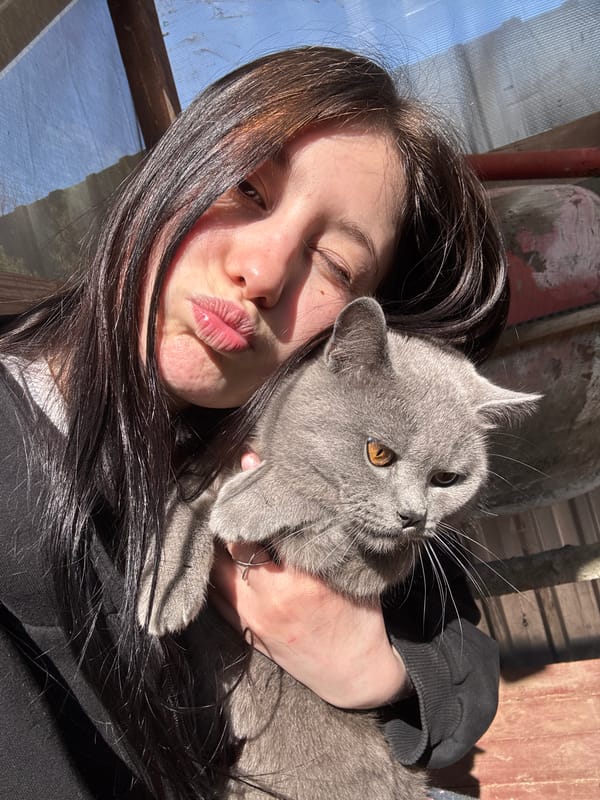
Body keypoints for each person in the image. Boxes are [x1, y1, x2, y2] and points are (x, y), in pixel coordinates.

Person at [0, 46, 506, 799]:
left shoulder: (287, 427)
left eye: (333, 266)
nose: (264, 271)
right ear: (172, 168)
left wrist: (376, 666)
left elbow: (463, 659)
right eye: (244, 187)